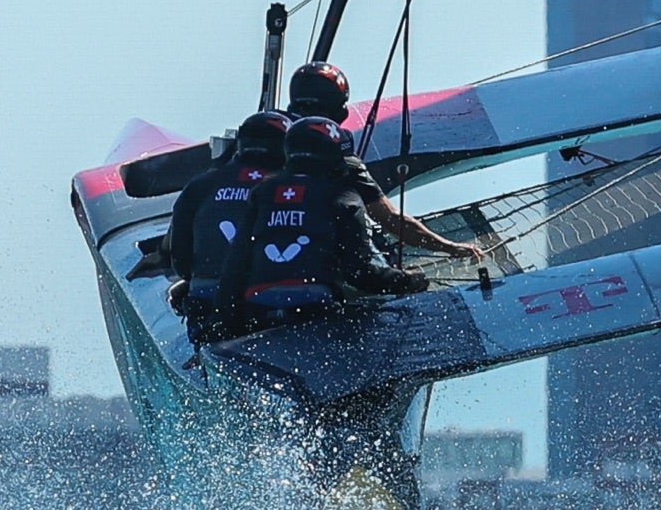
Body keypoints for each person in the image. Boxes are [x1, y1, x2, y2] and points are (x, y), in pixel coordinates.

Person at [228, 117, 433, 326]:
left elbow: (234, 266)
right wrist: (408, 281)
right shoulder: (343, 196)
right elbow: (359, 273)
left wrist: (220, 323)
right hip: (317, 312)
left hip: (256, 313)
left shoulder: (261, 194)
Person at [284, 61, 479, 260]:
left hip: (258, 263)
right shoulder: (340, 158)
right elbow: (390, 219)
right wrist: (450, 247)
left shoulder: (265, 136)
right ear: (339, 112)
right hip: (314, 263)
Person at [166, 109, 291, 342]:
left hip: (206, 298)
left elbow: (180, 261)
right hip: (268, 305)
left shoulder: (200, 185)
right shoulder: (291, 191)